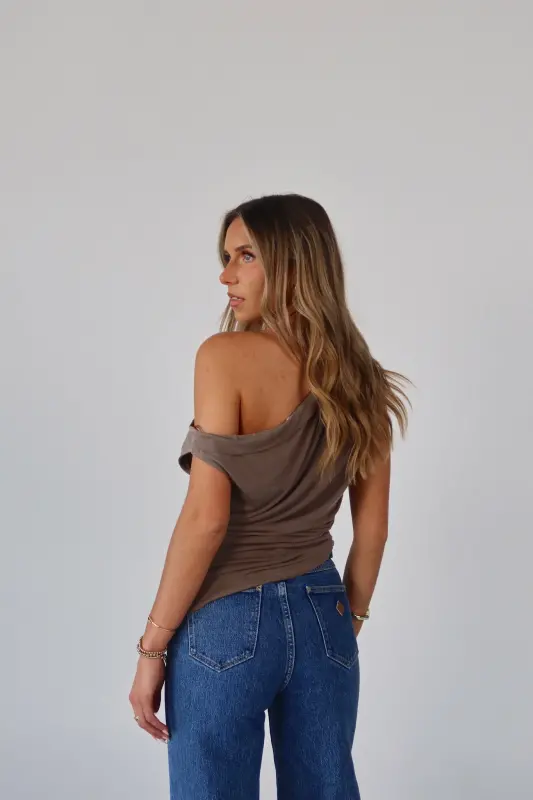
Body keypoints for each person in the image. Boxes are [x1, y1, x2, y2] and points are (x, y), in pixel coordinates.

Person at [128, 193, 410, 799]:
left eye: (246, 256)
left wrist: (151, 648)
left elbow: (206, 520)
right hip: (324, 614)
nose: (226, 275)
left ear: (294, 262)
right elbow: (374, 531)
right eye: (226, 257)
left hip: (225, 619)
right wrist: (348, 623)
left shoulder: (223, 357)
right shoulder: (362, 378)